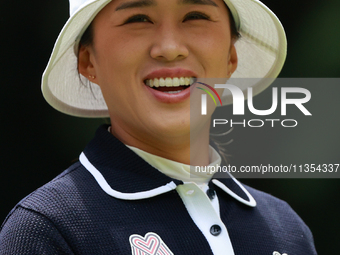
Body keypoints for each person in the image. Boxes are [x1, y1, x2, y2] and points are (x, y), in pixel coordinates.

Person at [0, 0, 317, 254]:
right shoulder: (48, 230)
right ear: (88, 61)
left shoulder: (287, 229)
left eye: (195, 15)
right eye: (138, 18)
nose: (169, 47)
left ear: (231, 56)